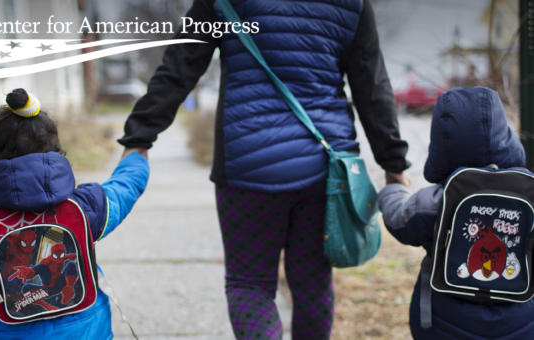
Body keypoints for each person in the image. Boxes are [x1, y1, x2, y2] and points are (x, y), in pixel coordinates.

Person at [119, 1, 410, 338]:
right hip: (326, 170)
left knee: (250, 284)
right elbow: (372, 86)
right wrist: (393, 163)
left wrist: (139, 136)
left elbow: (182, 63)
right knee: (313, 284)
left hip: (249, 166)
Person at [378, 87, 534, 340]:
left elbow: (397, 218)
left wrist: (392, 188)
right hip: (522, 326)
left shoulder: (436, 202)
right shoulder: (529, 198)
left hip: (442, 326)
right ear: (505, 137)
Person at [0, 88, 149, 340]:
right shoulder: (84, 208)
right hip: (86, 332)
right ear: (58, 154)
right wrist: (136, 152)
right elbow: (126, 186)